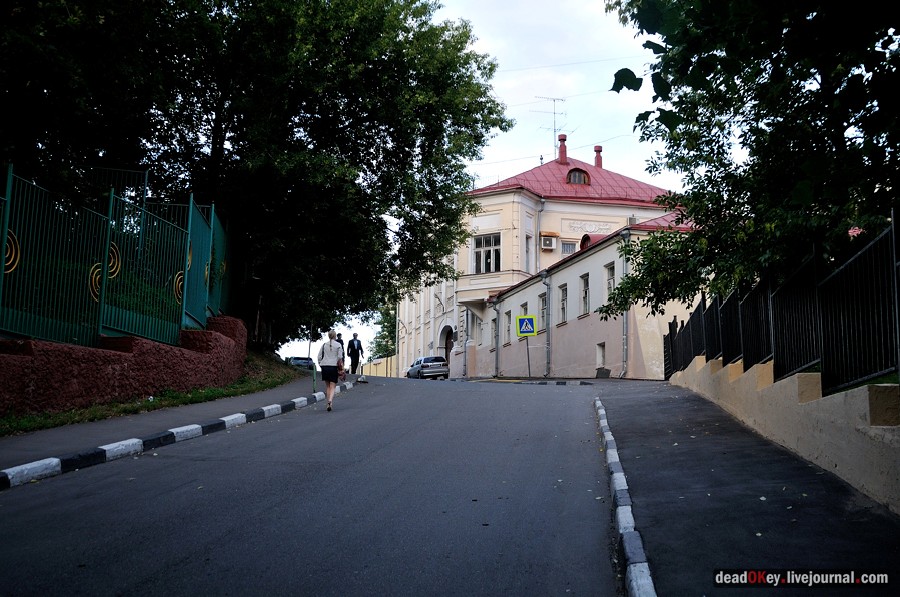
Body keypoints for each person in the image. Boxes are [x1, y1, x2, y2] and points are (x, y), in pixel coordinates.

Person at [317, 329, 344, 411]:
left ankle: (328, 402)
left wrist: (320, 364)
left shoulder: (324, 345)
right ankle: (330, 401)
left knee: (328, 386)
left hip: (324, 366)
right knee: (333, 386)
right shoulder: (338, 345)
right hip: (333, 367)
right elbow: (340, 357)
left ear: (329, 336)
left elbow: (319, 357)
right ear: (335, 336)